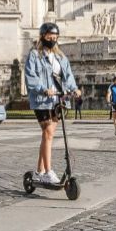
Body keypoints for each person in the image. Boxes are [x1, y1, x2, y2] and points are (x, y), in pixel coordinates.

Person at [25, 22, 78, 184]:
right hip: (42, 100)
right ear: (42, 36)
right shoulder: (35, 54)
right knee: (48, 133)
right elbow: (30, 77)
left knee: (48, 135)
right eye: (50, 36)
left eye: (55, 37)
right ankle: (48, 172)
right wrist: (43, 89)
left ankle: (39, 171)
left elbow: (67, 76)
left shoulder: (61, 56)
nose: (53, 39)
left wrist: (74, 89)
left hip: (58, 100)